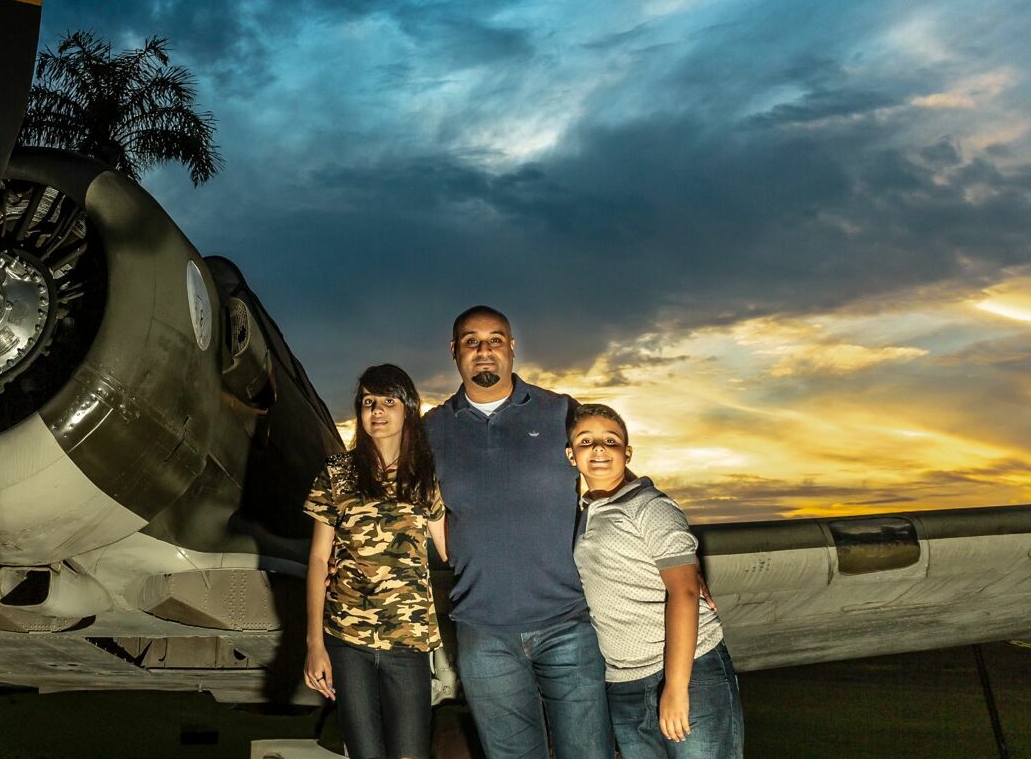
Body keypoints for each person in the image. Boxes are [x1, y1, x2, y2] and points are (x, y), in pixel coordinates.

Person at [421, 306, 614, 759]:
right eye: (471, 341)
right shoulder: (430, 430)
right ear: (454, 352)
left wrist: (675, 562)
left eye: (494, 339)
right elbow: (404, 502)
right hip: (483, 632)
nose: (483, 350)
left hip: (569, 622)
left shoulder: (561, 411)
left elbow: (613, 482)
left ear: (511, 348)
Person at [567, 401, 743, 759]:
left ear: (627, 452)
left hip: (687, 671)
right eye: (586, 441)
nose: (599, 448)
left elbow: (685, 590)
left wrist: (676, 688)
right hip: (624, 683)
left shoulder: (651, 506)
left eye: (610, 440)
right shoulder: (583, 514)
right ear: (571, 456)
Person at [304, 364, 447, 759]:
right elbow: (318, 559)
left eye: (388, 401)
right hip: (347, 639)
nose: (377, 411)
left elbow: (451, 549)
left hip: (409, 639)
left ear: (408, 410)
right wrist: (315, 643)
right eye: (368, 402)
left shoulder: (426, 475)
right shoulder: (338, 473)